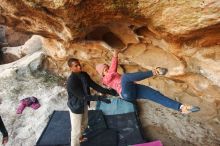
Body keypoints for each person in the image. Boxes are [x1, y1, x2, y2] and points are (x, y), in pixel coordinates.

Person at [95, 49, 200, 114]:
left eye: (107, 68)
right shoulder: (105, 80)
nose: (108, 70)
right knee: (126, 77)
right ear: (102, 74)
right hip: (125, 94)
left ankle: (181, 108)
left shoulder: (111, 75)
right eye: (105, 70)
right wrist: (115, 55)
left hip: (134, 89)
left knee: (155, 94)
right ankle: (155, 72)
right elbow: (113, 71)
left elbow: (114, 72)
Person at [66, 58, 117, 146]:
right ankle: (75, 143)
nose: (79, 67)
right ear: (70, 68)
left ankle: (80, 138)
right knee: (76, 130)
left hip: (84, 103)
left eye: (79, 64)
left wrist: (108, 91)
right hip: (76, 107)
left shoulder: (84, 75)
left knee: (84, 124)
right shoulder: (71, 82)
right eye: (76, 66)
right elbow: (84, 97)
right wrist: (99, 98)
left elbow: (94, 85)